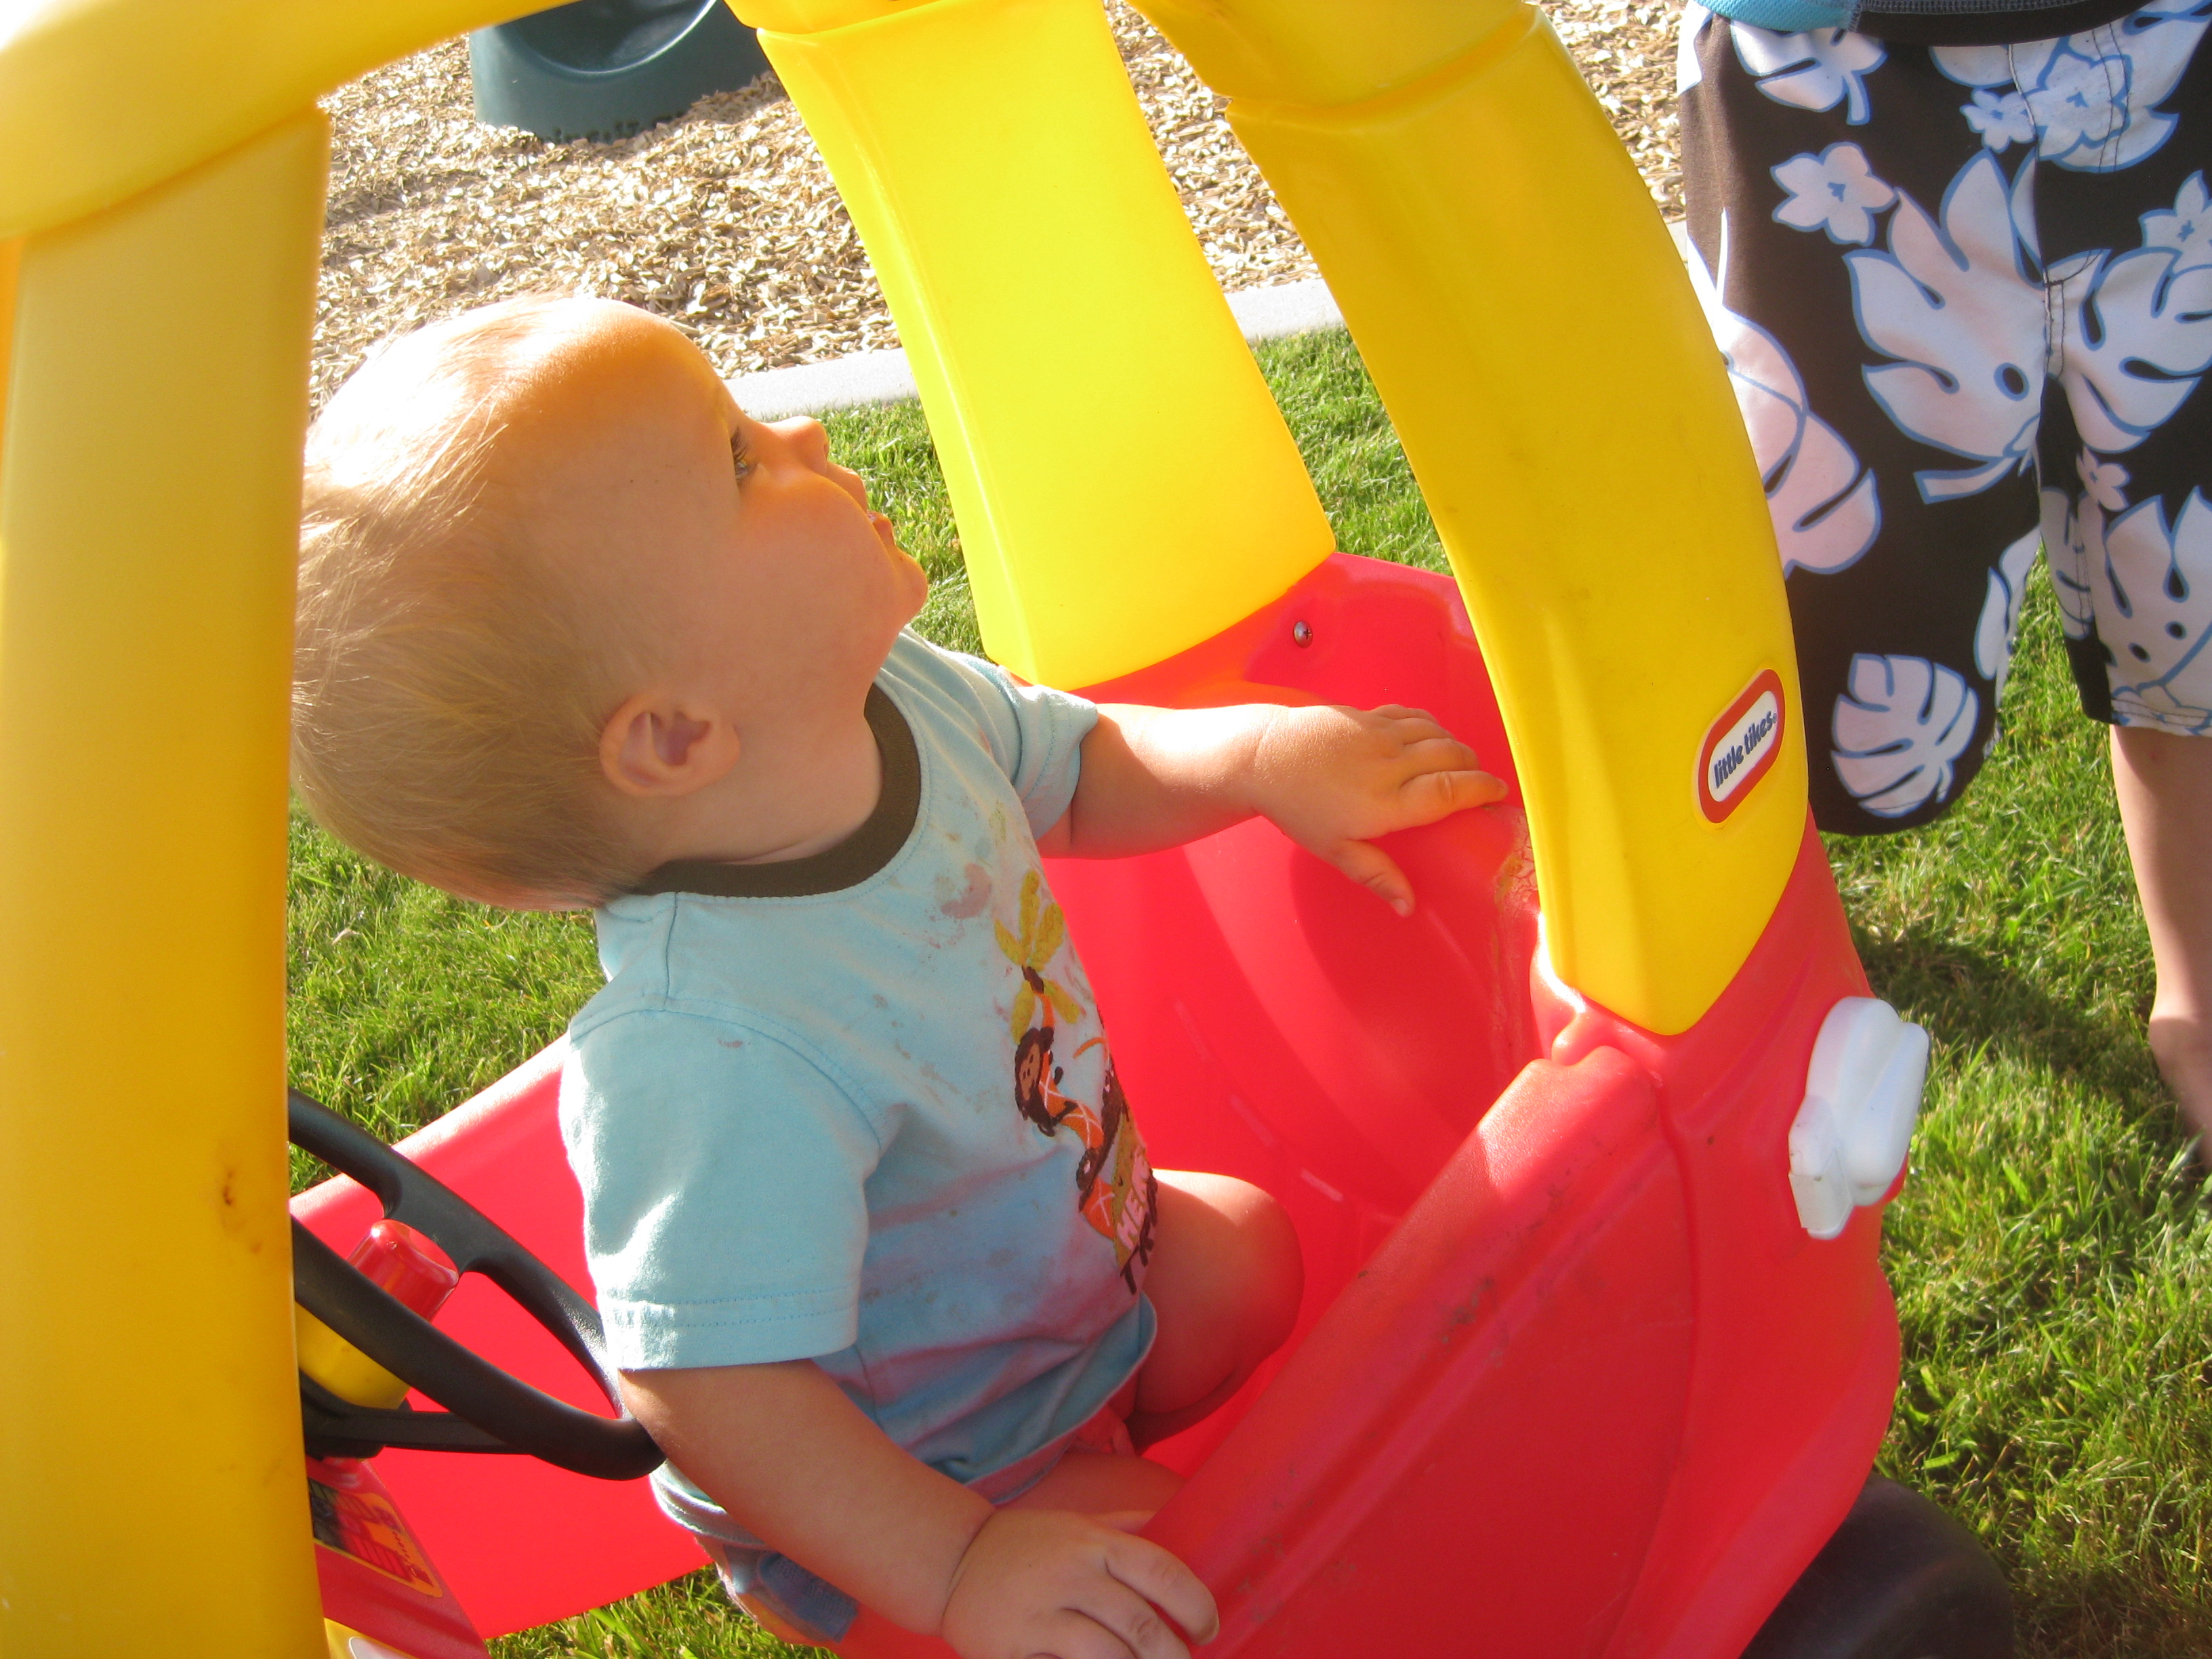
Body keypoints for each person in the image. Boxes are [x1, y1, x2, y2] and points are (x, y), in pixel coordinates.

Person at [291, 295, 1507, 1659]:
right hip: (923, 1474)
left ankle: (1113, 1431)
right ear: (679, 733)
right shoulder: (712, 1047)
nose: (806, 429)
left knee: (1255, 1259)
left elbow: (1078, 761)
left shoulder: (886, 702)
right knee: (1215, 1592)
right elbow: (709, 1383)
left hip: (1072, 1287)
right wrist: (962, 1560)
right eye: (745, 458)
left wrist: (1260, 764)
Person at [1675, 0, 2212, 1136]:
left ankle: (2200, 998)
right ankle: (1762, 979)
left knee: (2189, 572)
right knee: (1810, 606)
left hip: (2173, 44)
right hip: (1826, 77)